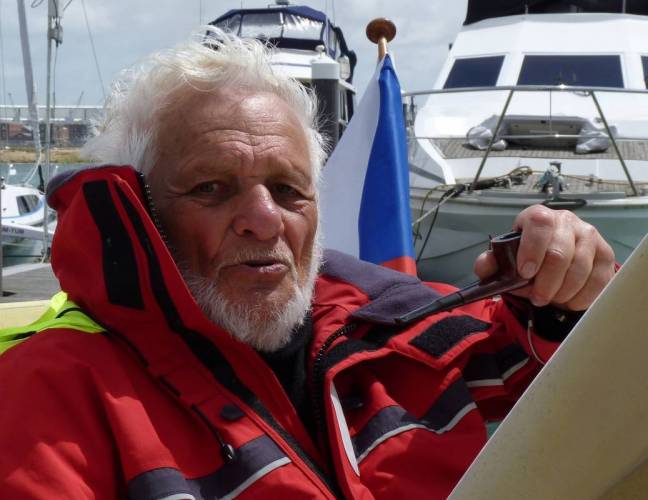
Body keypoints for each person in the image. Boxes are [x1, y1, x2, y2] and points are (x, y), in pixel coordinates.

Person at [0, 29, 615, 499]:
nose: (265, 220)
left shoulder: (401, 327)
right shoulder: (50, 393)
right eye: (211, 188)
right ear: (141, 210)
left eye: (289, 190)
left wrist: (567, 296)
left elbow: (583, 393)